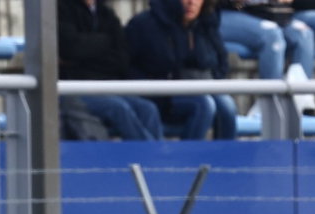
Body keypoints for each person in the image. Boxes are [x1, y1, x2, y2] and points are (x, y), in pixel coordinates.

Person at [126, 0, 240, 140]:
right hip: (163, 95)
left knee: (227, 105)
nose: (191, 2)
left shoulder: (207, 23)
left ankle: (225, 159)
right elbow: (127, 66)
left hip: (203, 87)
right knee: (204, 104)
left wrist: (213, 79)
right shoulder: (144, 24)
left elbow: (221, 61)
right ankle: (187, 159)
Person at [59, 0, 164, 140]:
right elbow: (70, 48)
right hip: (75, 90)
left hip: (108, 86)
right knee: (119, 109)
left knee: (148, 109)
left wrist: (85, 57)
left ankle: (149, 156)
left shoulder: (106, 13)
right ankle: (155, 157)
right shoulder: (60, 10)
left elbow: (122, 59)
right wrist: (106, 42)